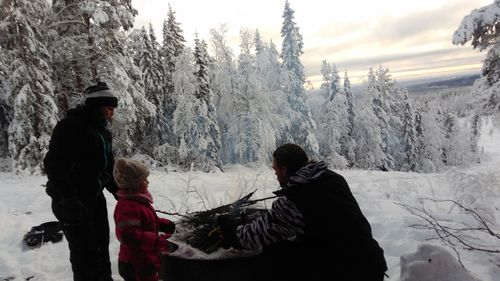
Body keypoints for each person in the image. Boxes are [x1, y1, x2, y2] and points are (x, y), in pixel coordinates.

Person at [217, 143, 388, 281]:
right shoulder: (332, 178)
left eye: (275, 169)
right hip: (371, 261)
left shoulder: (295, 199)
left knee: (274, 254)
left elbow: (253, 237)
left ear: (284, 169)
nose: (275, 174)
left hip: (346, 272)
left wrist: (231, 229)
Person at [43, 81, 119, 281]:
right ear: (97, 105)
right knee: (84, 254)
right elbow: (54, 164)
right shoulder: (70, 126)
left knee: (101, 246)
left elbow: (106, 167)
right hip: (70, 201)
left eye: (113, 109)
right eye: (109, 108)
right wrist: (68, 199)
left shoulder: (103, 132)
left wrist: (118, 191)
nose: (112, 113)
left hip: (94, 197)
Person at [113, 158, 177, 281]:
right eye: (144, 180)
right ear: (134, 185)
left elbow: (145, 221)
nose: (148, 182)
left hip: (143, 260)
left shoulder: (136, 201)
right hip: (135, 264)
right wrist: (158, 242)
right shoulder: (127, 206)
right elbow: (128, 235)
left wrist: (163, 224)